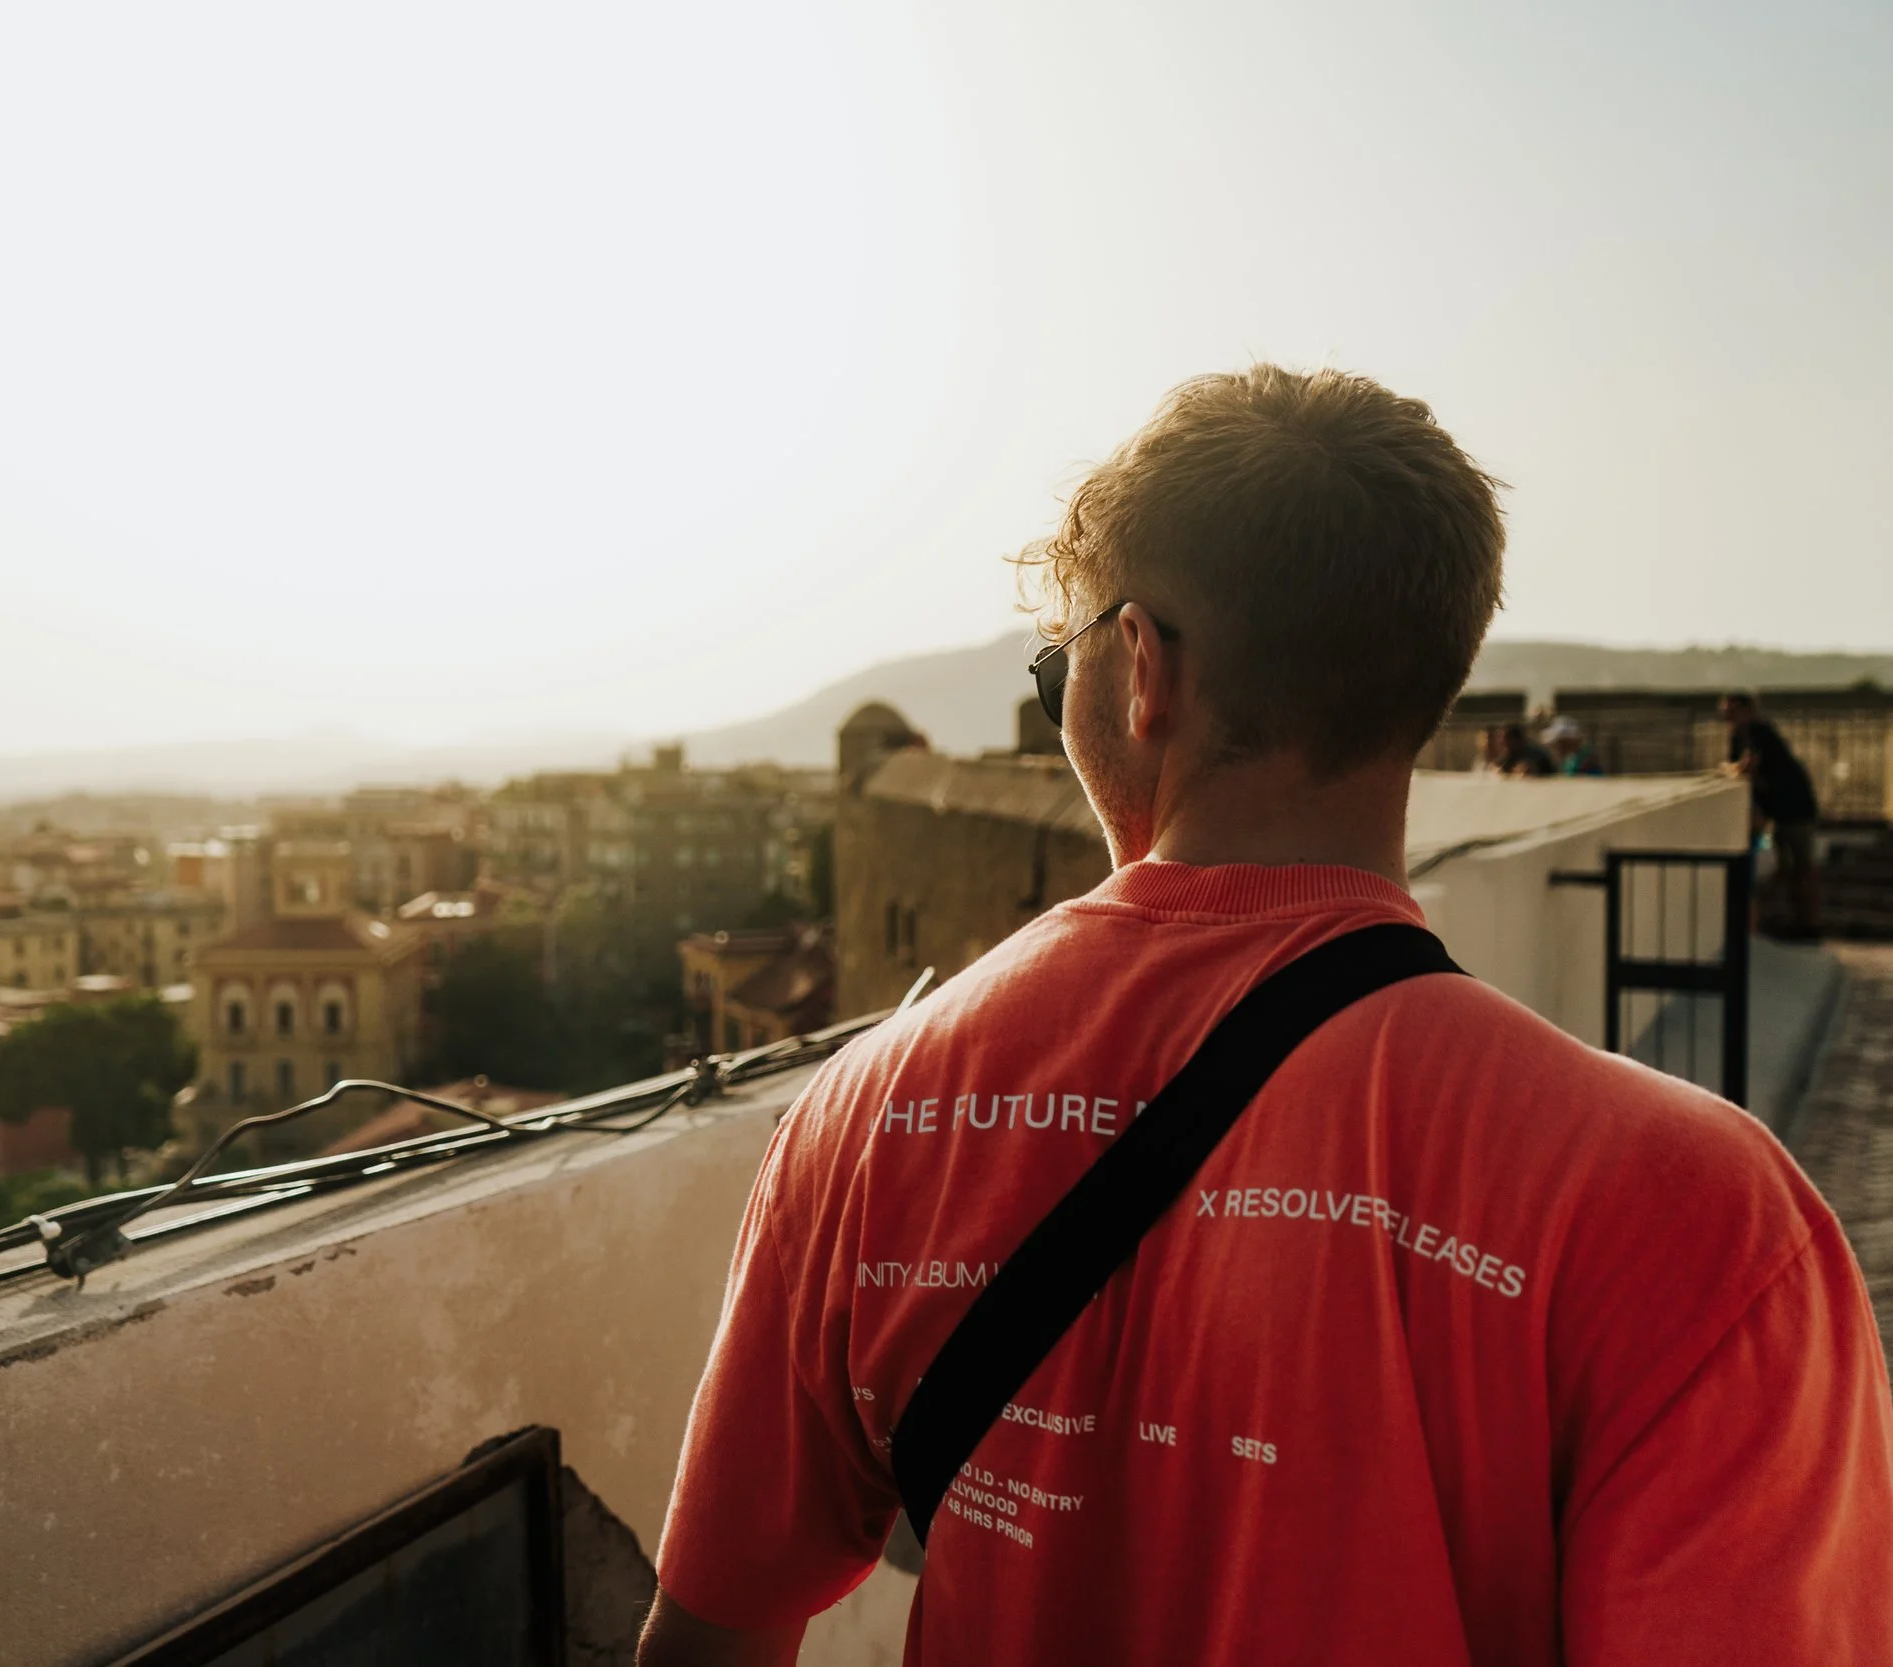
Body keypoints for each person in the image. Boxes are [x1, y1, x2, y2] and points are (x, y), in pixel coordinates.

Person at [639, 366, 1892, 1667]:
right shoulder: (1697, 1213)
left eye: (1054, 656)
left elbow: (708, 1635)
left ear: (1140, 669)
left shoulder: (866, 1113)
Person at [1722, 691, 1823, 939]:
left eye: (1733, 712)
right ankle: (1795, 923)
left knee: (1801, 868)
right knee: (1786, 869)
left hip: (1796, 809)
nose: (1729, 718)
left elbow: (1745, 768)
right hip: (1778, 810)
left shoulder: (1759, 733)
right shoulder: (1740, 737)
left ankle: (1807, 924)